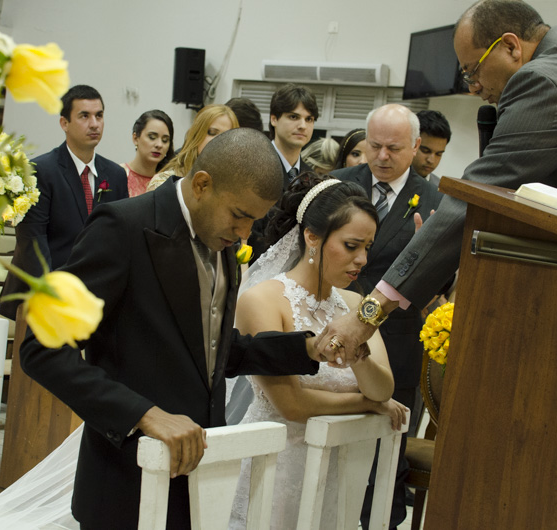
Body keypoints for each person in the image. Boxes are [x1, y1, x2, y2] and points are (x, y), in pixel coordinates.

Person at [18, 128, 346, 529]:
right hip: (126, 476)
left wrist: (307, 349)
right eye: (240, 216)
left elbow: (213, 349)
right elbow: (41, 348)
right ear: (203, 185)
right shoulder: (122, 227)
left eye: (254, 222)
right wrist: (144, 414)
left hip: (200, 475)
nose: (245, 235)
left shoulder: (223, 245)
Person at [317, 0, 557, 371]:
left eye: (472, 70)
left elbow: (475, 200)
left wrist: (368, 314)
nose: (473, 87)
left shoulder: (542, 81)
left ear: (511, 46)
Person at [228, 173, 409, 529]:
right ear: (312, 236)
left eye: (367, 248)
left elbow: (383, 389)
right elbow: (292, 405)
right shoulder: (262, 299)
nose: (362, 260)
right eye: (352, 245)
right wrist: (367, 404)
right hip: (276, 465)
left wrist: (360, 360)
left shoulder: (357, 303)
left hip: (337, 466)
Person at [332, 103, 443, 529]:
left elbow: (441, 283)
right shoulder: (338, 186)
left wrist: (427, 266)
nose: (380, 156)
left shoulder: (437, 201)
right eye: (373, 145)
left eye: (393, 148)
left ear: (415, 147)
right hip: (333, 334)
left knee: (385, 454)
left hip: (396, 346)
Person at [0, 84, 128, 320]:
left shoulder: (115, 175)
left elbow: (119, 239)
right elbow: (33, 243)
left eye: (99, 115)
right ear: (64, 123)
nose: (94, 124)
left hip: (94, 296)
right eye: (84, 116)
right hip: (42, 292)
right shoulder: (40, 171)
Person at [248, 84, 319, 262]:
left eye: (309, 119)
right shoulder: (252, 166)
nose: (302, 126)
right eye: (294, 117)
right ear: (274, 119)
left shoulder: (313, 178)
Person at [146, 104, 238, 191]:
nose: (219, 140)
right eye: (212, 133)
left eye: (226, 135)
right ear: (196, 135)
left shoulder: (235, 186)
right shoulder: (165, 183)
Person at [122, 109, 174, 197]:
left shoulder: (169, 181)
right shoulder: (119, 174)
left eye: (165, 140)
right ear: (135, 138)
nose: (159, 145)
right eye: (152, 137)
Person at [411, 110, 451, 187]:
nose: (431, 160)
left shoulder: (441, 191)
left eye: (438, 154)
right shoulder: (386, 178)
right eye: (425, 151)